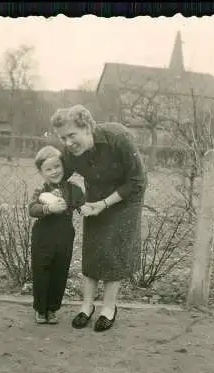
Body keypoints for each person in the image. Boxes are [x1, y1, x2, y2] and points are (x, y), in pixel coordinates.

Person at [50, 105, 147, 332]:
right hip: (95, 198)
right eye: (62, 138)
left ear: (88, 128)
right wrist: (56, 195)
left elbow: (137, 180)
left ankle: (109, 308)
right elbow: (58, 178)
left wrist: (104, 204)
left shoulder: (118, 138)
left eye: (72, 135)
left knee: (113, 249)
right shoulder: (69, 152)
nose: (67, 143)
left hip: (126, 196)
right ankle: (86, 306)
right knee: (93, 249)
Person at [29, 145, 85, 325]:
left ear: (63, 166)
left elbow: (82, 206)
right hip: (43, 237)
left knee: (60, 272)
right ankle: (40, 309)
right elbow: (32, 209)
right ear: (41, 172)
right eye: (48, 169)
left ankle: (52, 309)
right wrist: (48, 208)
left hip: (64, 236)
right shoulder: (41, 189)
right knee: (41, 272)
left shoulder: (73, 189)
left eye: (57, 166)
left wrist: (86, 209)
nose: (54, 172)